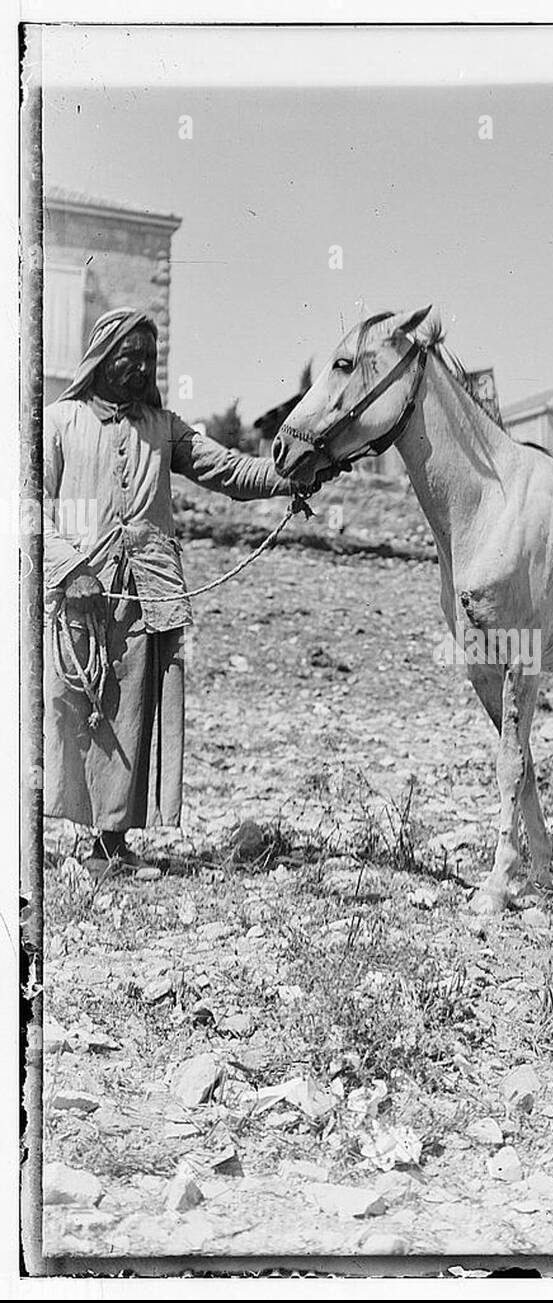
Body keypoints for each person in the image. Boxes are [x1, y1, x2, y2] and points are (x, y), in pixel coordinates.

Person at [43, 307, 307, 877]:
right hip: (78, 596)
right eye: (127, 355)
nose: (139, 367)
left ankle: (110, 845)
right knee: (73, 708)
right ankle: (47, 841)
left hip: (148, 590)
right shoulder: (58, 423)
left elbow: (229, 471)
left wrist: (294, 476)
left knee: (132, 712)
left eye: (148, 357)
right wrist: (70, 570)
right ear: (101, 356)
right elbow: (27, 506)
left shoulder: (164, 428)